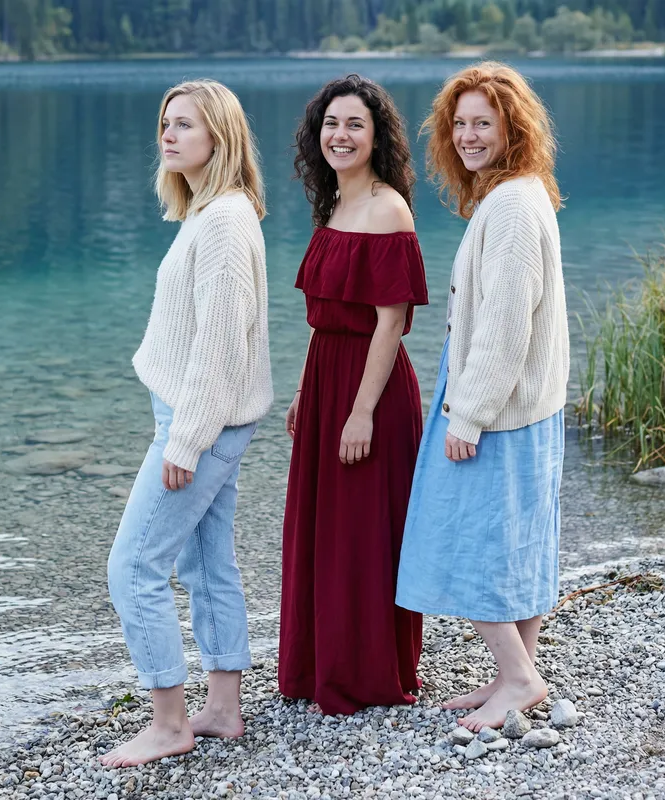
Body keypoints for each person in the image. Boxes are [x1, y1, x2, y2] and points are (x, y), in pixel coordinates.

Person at [101, 79, 273, 767]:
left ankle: (168, 722)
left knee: (133, 565)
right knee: (206, 563)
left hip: (202, 419)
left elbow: (222, 344)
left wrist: (187, 438)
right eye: (165, 123)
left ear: (220, 139)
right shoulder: (209, 213)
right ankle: (223, 708)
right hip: (203, 415)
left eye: (185, 126)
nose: (169, 136)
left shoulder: (227, 221)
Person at [396, 62, 570, 731]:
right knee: (515, 545)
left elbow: (502, 326)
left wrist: (466, 415)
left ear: (511, 127)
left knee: (464, 541)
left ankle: (521, 679)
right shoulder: (516, 195)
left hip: (495, 407)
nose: (468, 136)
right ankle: (514, 673)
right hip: (523, 404)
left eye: (482, 123)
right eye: (459, 123)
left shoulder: (514, 207)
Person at [279, 74, 428, 716]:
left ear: (377, 136)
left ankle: (366, 676)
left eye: (355, 125)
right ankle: (319, 667)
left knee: (363, 535)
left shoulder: (389, 207)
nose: (341, 135)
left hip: (372, 386)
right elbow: (328, 317)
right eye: (332, 124)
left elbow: (389, 321)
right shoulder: (333, 206)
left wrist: (360, 410)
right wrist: (302, 395)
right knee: (322, 529)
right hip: (326, 378)